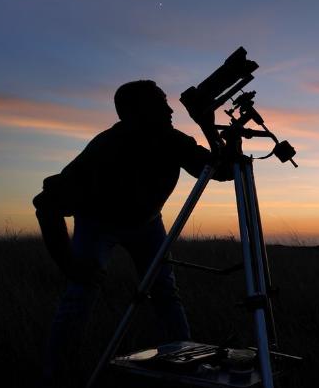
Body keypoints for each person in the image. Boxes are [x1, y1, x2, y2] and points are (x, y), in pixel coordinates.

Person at [33, 80, 232, 386]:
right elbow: (47, 206)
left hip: (148, 223)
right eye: (160, 103)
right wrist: (69, 265)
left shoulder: (172, 140)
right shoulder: (104, 150)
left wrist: (215, 132)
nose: (169, 109)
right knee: (80, 294)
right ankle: (55, 376)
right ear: (134, 113)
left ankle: (185, 365)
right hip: (97, 223)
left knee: (165, 293)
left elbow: (221, 170)